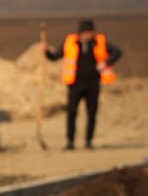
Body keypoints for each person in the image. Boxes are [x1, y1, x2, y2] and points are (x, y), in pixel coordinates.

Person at [44, 18, 121, 150]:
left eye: (91, 32)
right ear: (80, 33)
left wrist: (106, 63)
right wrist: (46, 52)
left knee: (92, 112)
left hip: (93, 83)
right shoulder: (70, 43)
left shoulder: (98, 43)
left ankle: (89, 141)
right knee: (72, 112)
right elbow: (55, 56)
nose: (89, 35)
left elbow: (117, 52)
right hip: (75, 84)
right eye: (86, 32)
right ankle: (70, 141)